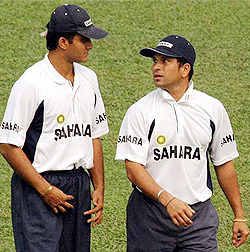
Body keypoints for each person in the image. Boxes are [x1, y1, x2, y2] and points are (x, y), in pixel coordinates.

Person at [115, 35, 249, 251]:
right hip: (150, 217)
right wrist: (167, 200)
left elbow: (223, 163)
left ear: (185, 69)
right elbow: (133, 169)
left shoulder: (212, 109)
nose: (156, 67)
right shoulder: (139, 111)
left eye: (165, 61)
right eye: (155, 61)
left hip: (198, 219)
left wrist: (239, 216)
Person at [0, 4, 109, 252]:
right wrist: (45, 189)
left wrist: (99, 186)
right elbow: (8, 145)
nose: (90, 46)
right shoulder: (31, 83)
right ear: (63, 42)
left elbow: (94, 136)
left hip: (78, 185)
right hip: (38, 187)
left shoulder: (89, 80)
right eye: (84, 40)